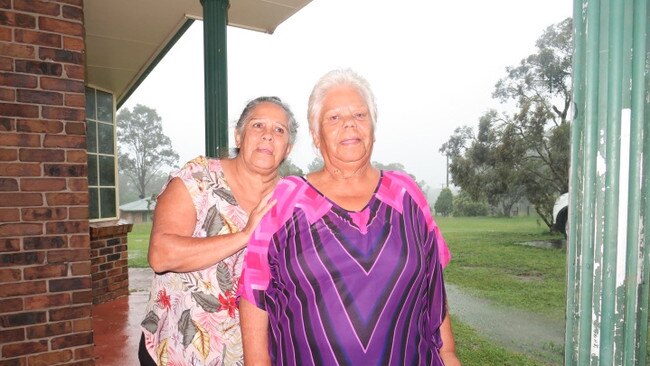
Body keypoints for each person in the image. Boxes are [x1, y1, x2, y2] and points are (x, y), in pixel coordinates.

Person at [238, 69, 459, 365]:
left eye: (359, 115)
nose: (349, 125)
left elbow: (433, 285)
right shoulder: (285, 199)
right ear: (316, 135)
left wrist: (448, 354)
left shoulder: (406, 194)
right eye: (334, 118)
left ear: (373, 128)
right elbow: (254, 296)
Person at [138, 96, 298, 365]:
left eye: (279, 130)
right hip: (176, 350)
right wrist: (244, 235)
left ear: (288, 148)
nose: (268, 135)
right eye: (258, 125)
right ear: (238, 136)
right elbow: (161, 255)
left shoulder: (290, 200)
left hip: (246, 355)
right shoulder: (198, 178)